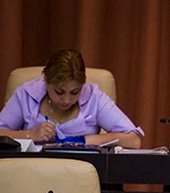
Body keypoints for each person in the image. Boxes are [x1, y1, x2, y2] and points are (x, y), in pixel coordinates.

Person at [0, 49, 143, 148]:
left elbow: (133, 140)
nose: (67, 100)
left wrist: (85, 140)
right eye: (59, 92)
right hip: (32, 174)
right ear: (46, 81)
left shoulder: (94, 97)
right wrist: (30, 134)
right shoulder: (27, 94)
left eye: (75, 92)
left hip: (81, 177)